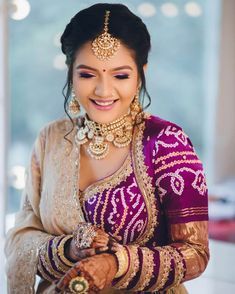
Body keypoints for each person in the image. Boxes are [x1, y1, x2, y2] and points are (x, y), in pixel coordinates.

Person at [5, 3, 209, 293]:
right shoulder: (50, 139)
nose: (103, 90)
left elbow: (195, 252)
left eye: (120, 76)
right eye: (87, 75)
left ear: (141, 74)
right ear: (70, 72)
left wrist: (116, 264)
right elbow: (21, 238)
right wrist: (70, 251)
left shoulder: (166, 142)